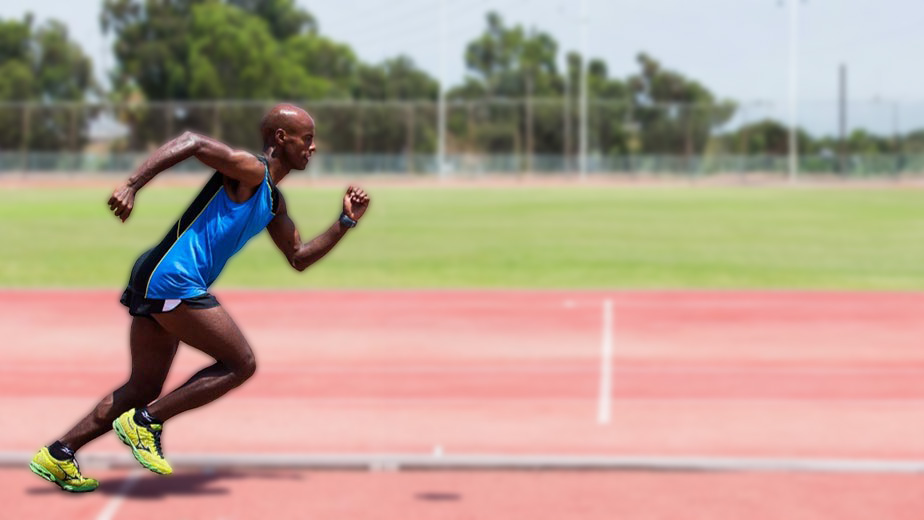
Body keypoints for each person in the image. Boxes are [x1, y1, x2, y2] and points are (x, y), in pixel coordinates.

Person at [29, 104, 370, 492]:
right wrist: (132, 185)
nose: (313, 147)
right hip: (173, 279)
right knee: (240, 363)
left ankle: (59, 453)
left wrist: (346, 222)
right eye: (307, 139)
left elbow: (299, 257)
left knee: (143, 387)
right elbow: (192, 141)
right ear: (281, 138)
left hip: (158, 276)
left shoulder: (273, 202)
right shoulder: (251, 170)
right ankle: (145, 422)